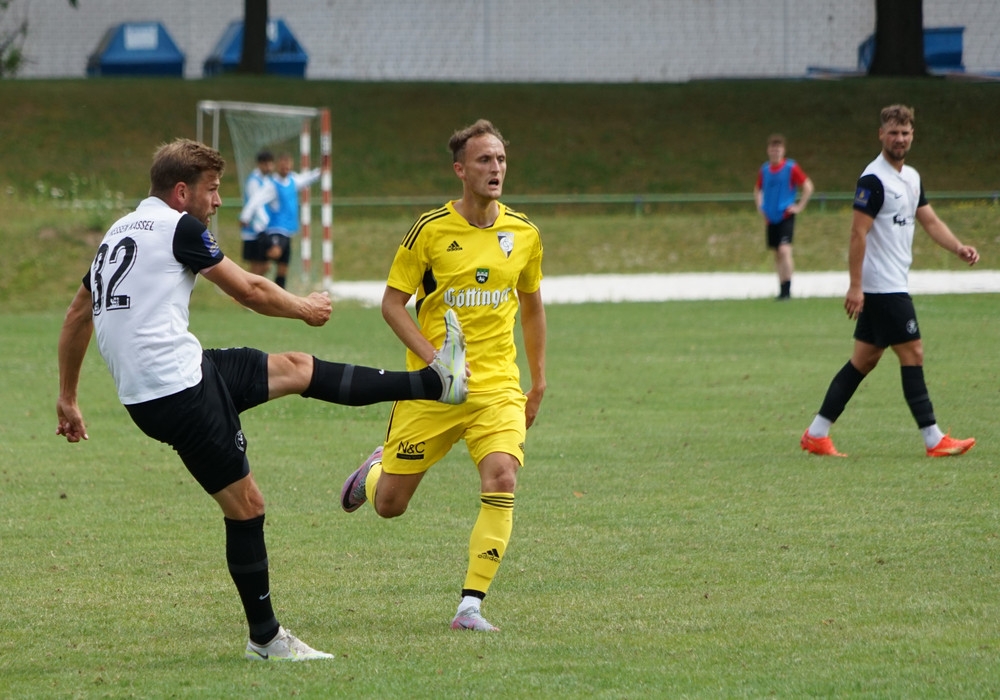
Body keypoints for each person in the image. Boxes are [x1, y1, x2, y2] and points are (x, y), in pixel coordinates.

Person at [56, 138, 468, 661]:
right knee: (247, 506)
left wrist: (67, 396)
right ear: (181, 192)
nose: (218, 201)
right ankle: (266, 639)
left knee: (296, 368)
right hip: (179, 391)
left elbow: (78, 314)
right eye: (211, 189)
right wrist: (304, 307)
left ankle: (436, 384)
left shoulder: (118, 231)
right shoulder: (179, 227)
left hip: (174, 378)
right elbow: (248, 290)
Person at [339, 119, 547, 632]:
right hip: (432, 390)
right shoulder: (429, 231)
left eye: (501, 159)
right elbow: (392, 304)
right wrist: (436, 360)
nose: (496, 168)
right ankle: (373, 473)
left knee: (503, 476)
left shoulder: (523, 233)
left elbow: (532, 307)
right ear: (460, 170)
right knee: (390, 506)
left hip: (497, 388)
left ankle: (470, 606)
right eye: (484, 160)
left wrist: (538, 380)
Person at [800, 105, 978, 458]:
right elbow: (857, 233)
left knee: (863, 360)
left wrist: (958, 247)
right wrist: (855, 286)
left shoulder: (910, 177)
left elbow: (929, 221)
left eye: (905, 133)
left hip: (892, 282)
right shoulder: (873, 180)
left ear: (913, 135)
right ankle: (933, 438)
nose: (899, 139)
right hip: (883, 286)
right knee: (913, 351)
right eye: (893, 132)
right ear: (881, 134)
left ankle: (817, 433)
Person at [239, 152, 321, 289]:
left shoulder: (292, 180)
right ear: (278, 166)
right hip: (274, 230)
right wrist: (245, 216)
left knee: (282, 268)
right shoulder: (271, 184)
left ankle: (274, 293)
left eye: (288, 165)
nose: (285, 168)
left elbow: (306, 179)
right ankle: (245, 288)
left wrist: (319, 172)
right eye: (283, 165)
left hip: (287, 231)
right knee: (266, 261)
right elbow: (256, 200)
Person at [753, 134, 814, 300]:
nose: (775, 152)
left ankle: (788, 288)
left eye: (778, 149)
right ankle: (782, 289)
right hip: (771, 216)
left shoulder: (790, 167)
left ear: (783, 151)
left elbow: (808, 186)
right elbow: (758, 189)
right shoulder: (764, 170)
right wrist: (760, 206)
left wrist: (799, 206)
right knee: (777, 253)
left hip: (785, 214)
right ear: (768, 151)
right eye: (773, 149)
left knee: (784, 250)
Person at [239, 149, 276, 277]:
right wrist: (258, 223)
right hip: (254, 230)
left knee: (264, 266)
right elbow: (254, 204)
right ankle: (243, 288)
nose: (269, 167)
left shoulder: (268, 180)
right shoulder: (254, 181)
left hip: (262, 228)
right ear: (260, 164)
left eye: (271, 163)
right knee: (258, 267)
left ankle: (246, 288)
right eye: (266, 164)